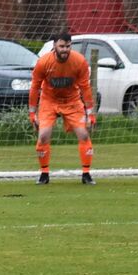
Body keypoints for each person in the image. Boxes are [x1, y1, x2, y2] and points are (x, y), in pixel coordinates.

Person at [28, 32, 96, 185]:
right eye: (61, 46)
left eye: (68, 46)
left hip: (72, 101)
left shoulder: (79, 61)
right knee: (44, 135)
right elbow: (35, 87)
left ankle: (86, 174)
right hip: (49, 101)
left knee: (84, 135)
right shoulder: (43, 62)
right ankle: (44, 174)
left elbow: (85, 87)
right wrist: (32, 113)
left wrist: (91, 113)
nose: (65, 49)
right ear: (54, 46)